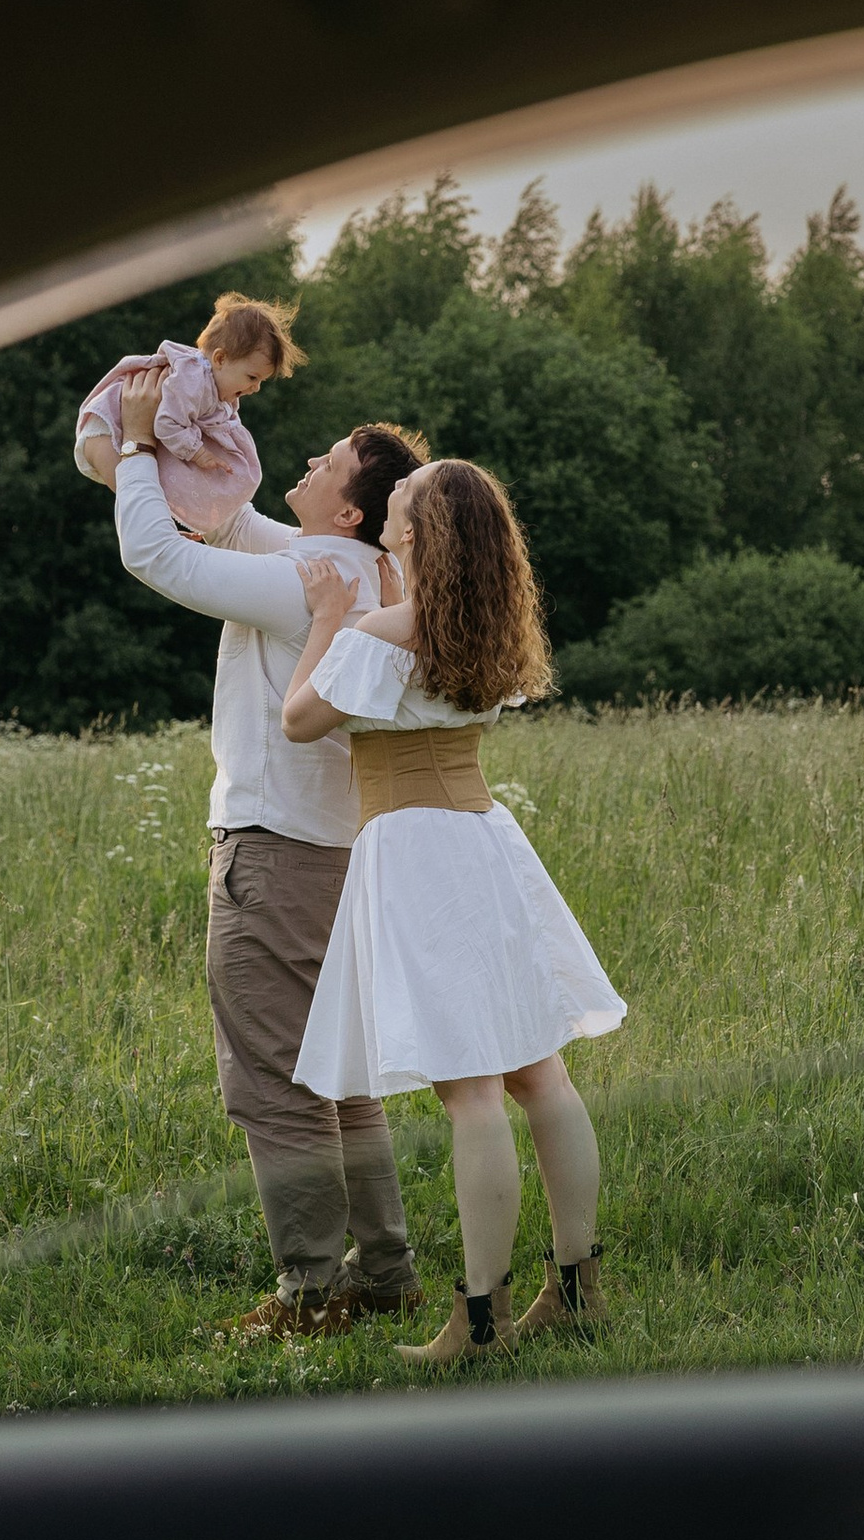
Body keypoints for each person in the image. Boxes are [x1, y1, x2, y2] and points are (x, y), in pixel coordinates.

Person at [102, 365, 428, 1338]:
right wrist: (191, 445)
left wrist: (127, 442)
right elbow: (233, 526)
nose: (312, 457)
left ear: (353, 504)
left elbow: (157, 558)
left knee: (276, 1085)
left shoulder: (307, 582)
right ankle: (384, 1273)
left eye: (329, 458)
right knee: (345, 1079)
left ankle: (308, 1294)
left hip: (276, 859)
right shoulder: (361, 574)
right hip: (343, 859)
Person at [282, 457, 626, 1368]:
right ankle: (578, 1286)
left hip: (415, 852)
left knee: (471, 1090)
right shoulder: (488, 629)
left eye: (397, 505)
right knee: (538, 1072)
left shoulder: (377, 633)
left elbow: (299, 721)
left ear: (411, 533)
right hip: (482, 837)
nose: (388, 511)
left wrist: (325, 620)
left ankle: (478, 1323)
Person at [73, 293, 302, 529]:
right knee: (134, 496)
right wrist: (198, 453)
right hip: (105, 427)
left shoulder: (216, 388)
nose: (255, 388)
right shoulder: (193, 381)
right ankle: (159, 528)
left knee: (143, 493)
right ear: (220, 358)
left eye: (261, 381)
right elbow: (167, 424)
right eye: (252, 377)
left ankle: (164, 527)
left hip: (125, 426)